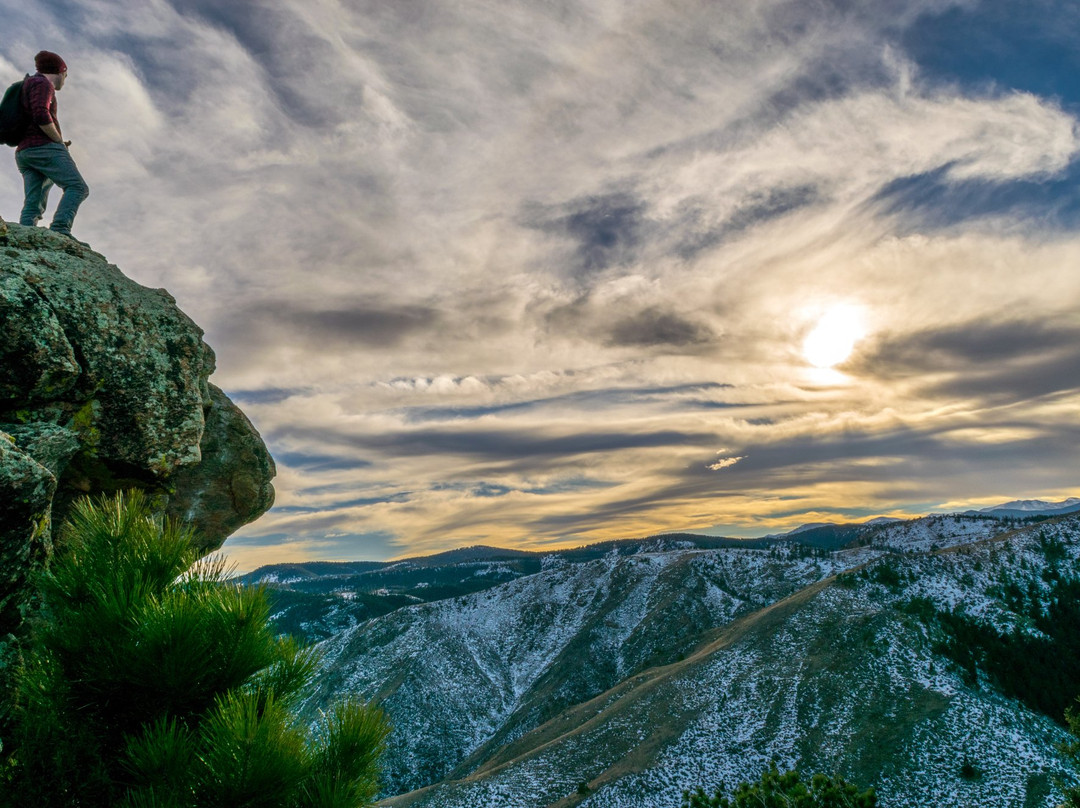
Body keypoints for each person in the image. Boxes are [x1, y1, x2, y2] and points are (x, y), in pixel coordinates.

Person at [15, 50, 89, 241]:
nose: (65, 79)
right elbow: (40, 114)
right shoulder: (43, 84)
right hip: (44, 148)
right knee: (77, 187)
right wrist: (57, 141)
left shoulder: (28, 84)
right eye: (65, 74)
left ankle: (24, 237)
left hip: (25, 152)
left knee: (34, 202)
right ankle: (60, 228)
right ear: (60, 71)